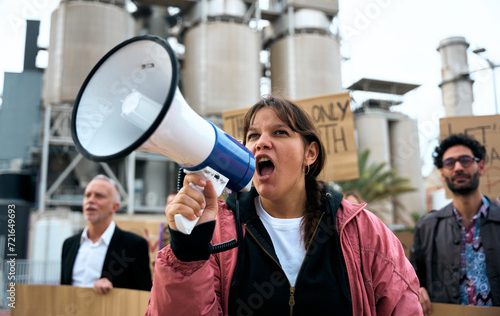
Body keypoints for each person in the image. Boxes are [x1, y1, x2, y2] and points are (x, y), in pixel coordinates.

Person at [146, 95, 422, 315]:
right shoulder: (217, 231)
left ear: (310, 153)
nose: (261, 143)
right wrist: (188, 257)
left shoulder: (362, 230)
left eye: (279, 132)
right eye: (253, 136)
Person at [410, 134, 500, 314]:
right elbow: (412, 281)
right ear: (442, 174)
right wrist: (416, 291)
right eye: (450, 163)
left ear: (481, 166)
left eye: (465, 160)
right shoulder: (426, 227)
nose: (458, 167)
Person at [61, 174, 152, 294]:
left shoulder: (134, 245)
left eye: (99, 196)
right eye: (87, 195)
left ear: (115, 206)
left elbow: (143, 295)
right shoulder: (69, 244)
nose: (91, 200)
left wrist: (114, 291)